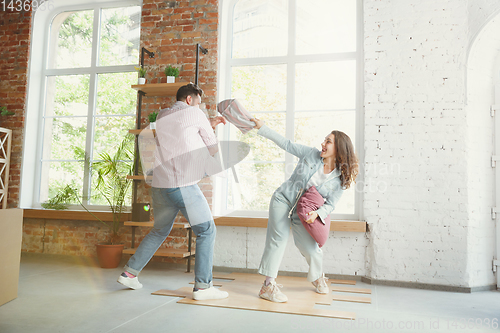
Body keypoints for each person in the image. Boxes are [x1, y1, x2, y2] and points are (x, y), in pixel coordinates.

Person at [118, 83, 229, 301]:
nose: (200, 106)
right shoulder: (195, 113)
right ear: (190, 100)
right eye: (198, 101)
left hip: (161, 186)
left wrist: (207, 123)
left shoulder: (162, 115)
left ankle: (129, 273)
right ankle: (204, 288)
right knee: (206, 231)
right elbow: (210, 144)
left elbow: (182, 135)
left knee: (159, 231)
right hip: (183, 185)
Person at [251, 117, 358, 303]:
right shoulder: (311, 154)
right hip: (283, 199)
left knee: (310, 249)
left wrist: (318, 214)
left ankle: (317, 277)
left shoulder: (339, 179)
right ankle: (267, 286)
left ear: (339, 148)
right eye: (324, 140)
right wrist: (263, 128)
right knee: (279, 239)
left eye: (328, 141)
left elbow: (331, 204)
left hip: (304, 212)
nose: (323, 144)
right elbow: (287, 144)